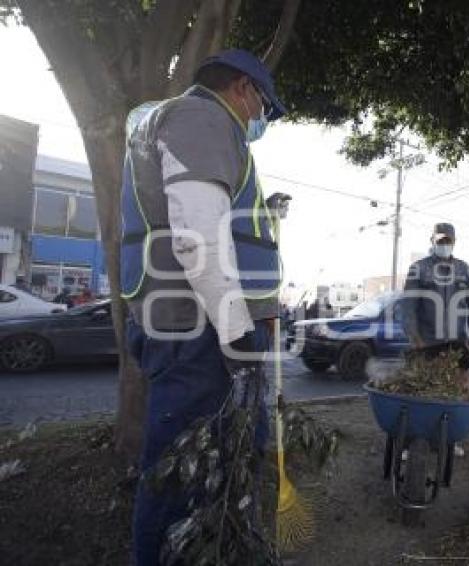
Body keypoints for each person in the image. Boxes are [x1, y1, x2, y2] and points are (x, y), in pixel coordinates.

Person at [119, 49, 287, 565]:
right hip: (198, 330)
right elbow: (198, 239)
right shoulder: (202, 117)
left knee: (225, 458)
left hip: (207, 328)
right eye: (264, 107)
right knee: (179, 470)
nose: (262, 120)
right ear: (242, 88)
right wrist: (237, 331)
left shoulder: (209, 129)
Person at [401, 222, 469, 368]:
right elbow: (408, 308)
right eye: (440, 240)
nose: (444, 244)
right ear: (432, 240)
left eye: (448, 240)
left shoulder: (464, 269)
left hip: (457, 346)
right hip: (426, 346)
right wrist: (415, 339)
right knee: (426, 387)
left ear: (454, 242)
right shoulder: (418, 269)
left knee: (454, 387)